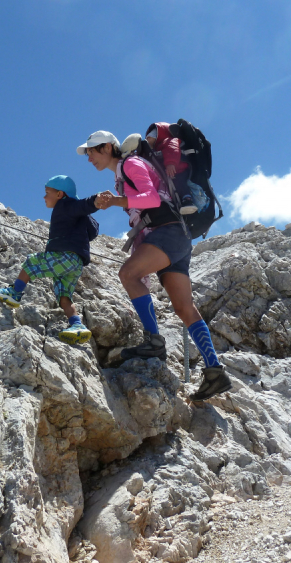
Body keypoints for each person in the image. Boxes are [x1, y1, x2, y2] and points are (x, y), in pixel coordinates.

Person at [77, 130, 232, 401]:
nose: (89, 157)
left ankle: (154, 341)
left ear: (106, 147)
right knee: (184, 308)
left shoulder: (130, 164)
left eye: (91, 151)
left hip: (167, 233)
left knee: (128, 273)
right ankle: (215, 372)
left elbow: (151, 199)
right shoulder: (123, 172)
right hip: (177, 238)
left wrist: (116, 202)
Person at [0, 175, 98, 345]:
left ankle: (15, 293)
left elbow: (83, 205)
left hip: (65, 256)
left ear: (60, 194)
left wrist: (95, 201)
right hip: (76, 264)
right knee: (64, 296)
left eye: (48, 193)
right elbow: (91, 229)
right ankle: (77, 325)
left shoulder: (66, 204)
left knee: (32, 262)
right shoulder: (79, 216)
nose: (44, 197)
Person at [145, 122, 197, 215]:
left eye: (149, 137)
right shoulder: (157, 149)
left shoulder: (168, 141)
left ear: (157, 135)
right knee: (175, 186)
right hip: (174, 172)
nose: (147, 139)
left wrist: (170, 163)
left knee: (180, 182)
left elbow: (172, 149)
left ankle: (188, 200)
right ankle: (181, 203)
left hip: (180, 170)